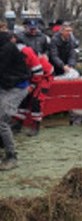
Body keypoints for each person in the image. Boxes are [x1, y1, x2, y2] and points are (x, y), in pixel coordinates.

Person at [0, 28, 30, 170]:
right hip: (5, 84)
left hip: (16, 87)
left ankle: (11, 156)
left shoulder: (6, 47)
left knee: (1, 120)